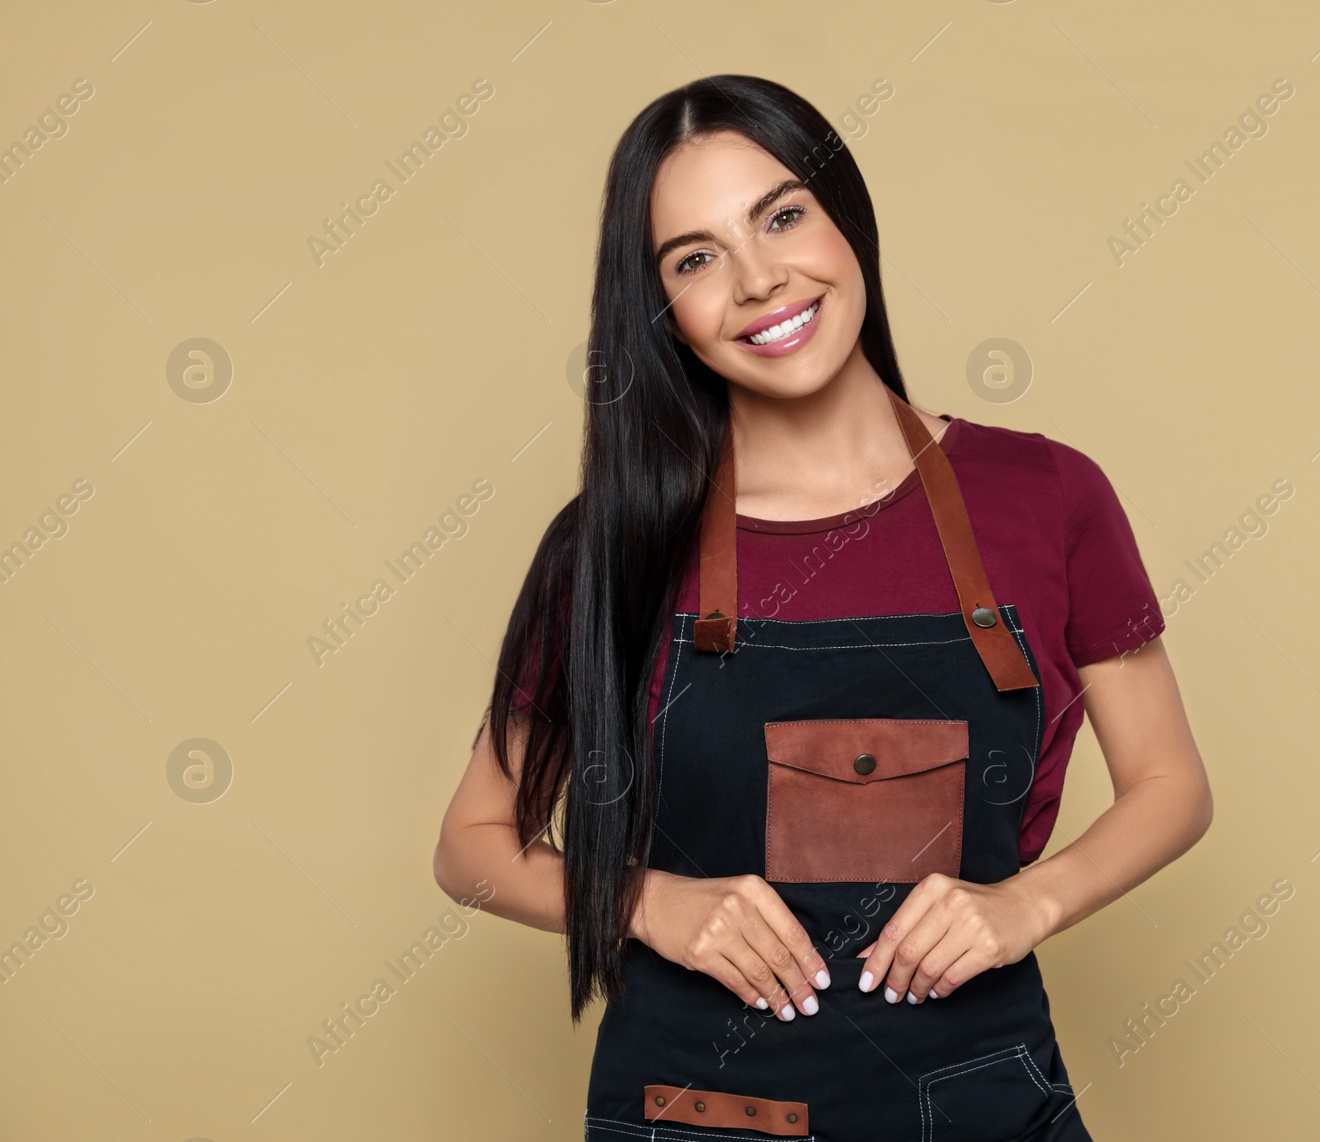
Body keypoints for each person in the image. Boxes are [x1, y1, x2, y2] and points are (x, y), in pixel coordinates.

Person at [433, 74, 1212, 1142]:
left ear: (848, 220)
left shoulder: (1047, 494)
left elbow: (1170, 783)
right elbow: (473, 842)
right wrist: (648, 901)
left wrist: (1030, 902)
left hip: (979, 1100)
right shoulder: (605, 545)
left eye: (782, 214)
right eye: (695, 258)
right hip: (700, 1109)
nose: (758, 278)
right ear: (661, 308)